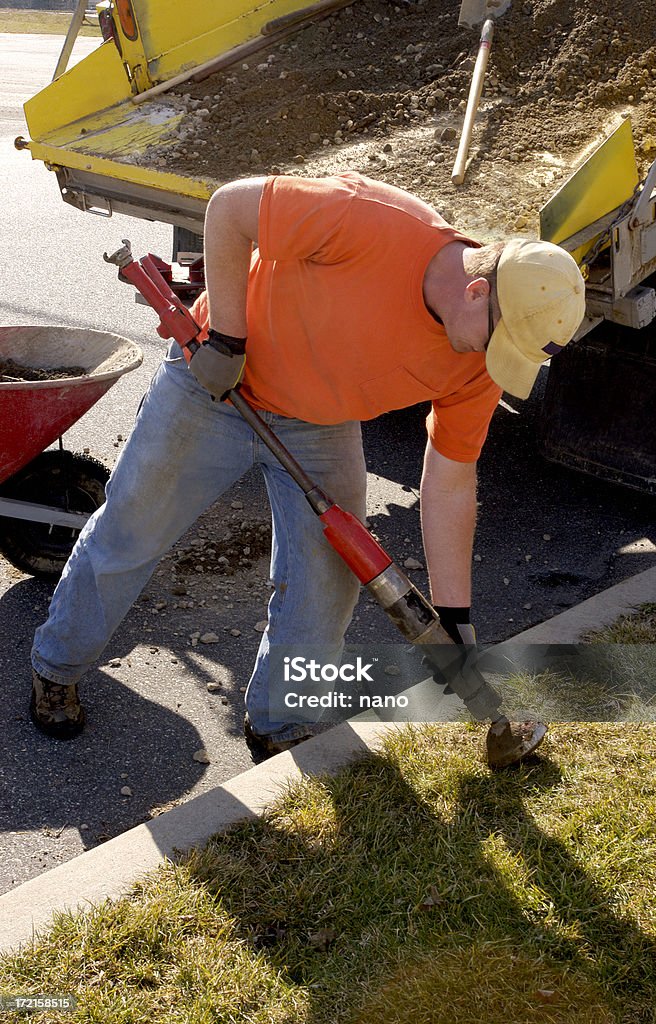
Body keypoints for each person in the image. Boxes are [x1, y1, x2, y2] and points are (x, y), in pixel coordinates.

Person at [29, 171, 585, 760]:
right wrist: (227, 340)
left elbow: (449, 484)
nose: (488, 359)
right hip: (216, 384)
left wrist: (454, 617)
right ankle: (55, 667)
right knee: (130, 530)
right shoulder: (369, 221)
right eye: (496, 342)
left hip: (321, 420)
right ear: (477, 291)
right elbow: (229, 210)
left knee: (326, 584)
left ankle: (280, 724)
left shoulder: (478, 365)